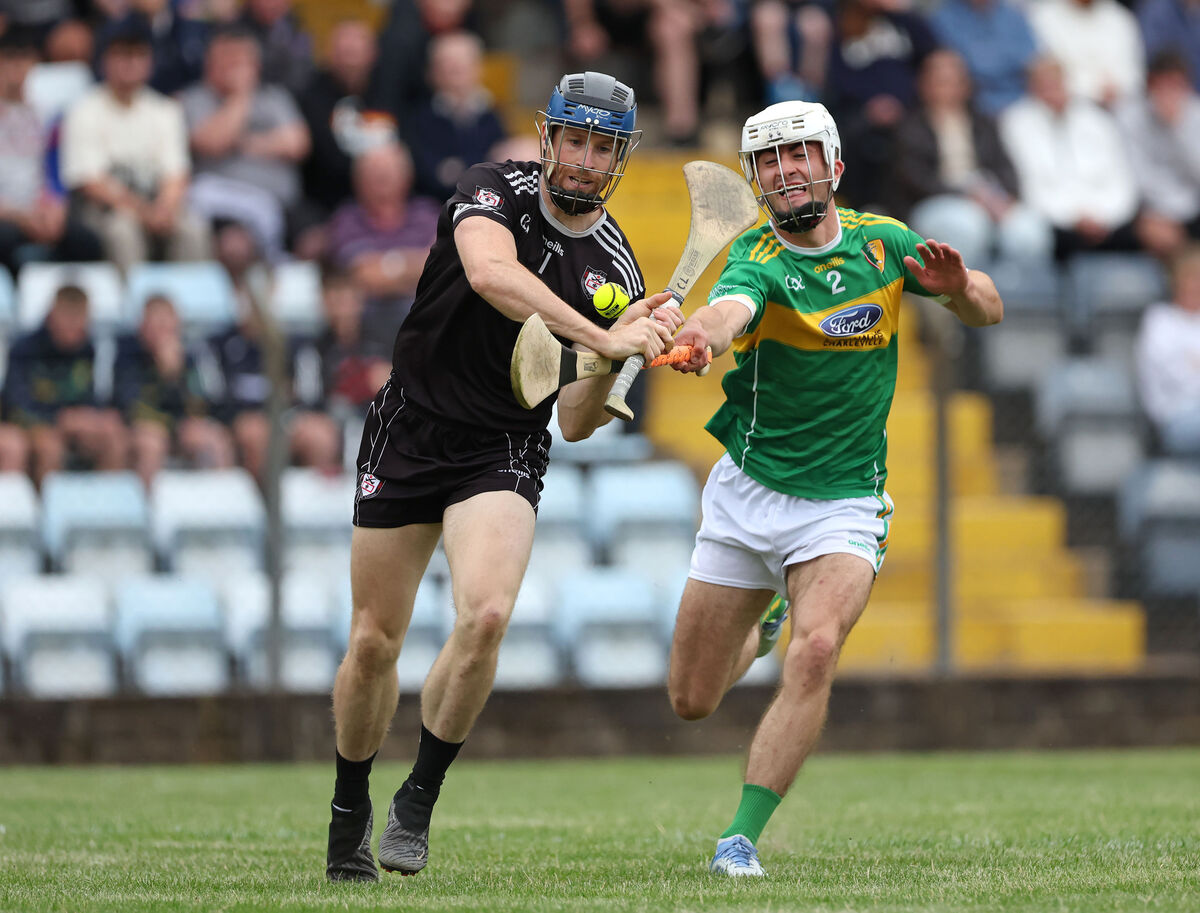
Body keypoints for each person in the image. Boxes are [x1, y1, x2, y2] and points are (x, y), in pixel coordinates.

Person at [325, 71, 678, 883]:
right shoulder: (491, 188)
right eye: (575, 139)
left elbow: (578, 419)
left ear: (619, 157)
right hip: (411, 426)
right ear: (550, 137)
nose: (586, 160)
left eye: (604, 146)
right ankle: (350, 805)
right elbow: (490, 275)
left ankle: (417, 798)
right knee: (375, 640)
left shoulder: (614, 260)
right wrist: (603, 331)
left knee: (485, 615)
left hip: (504, 445)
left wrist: (622, 345)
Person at [662, 100, 1003, 877]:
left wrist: (956, 289)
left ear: (833, 165)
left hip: (844, 499)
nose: (786, 172)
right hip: (749, 495)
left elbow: (988, 307)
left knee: (820, 650)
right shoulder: (757, 255)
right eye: (770, 162)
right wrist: (700, 337)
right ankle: (767, 617)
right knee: (692, 697)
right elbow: (730, 308)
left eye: (799, 155)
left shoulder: (885, 245)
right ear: (758, 181)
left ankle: (739, 838)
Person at [60, 14, 211, 273]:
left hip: (157, 204)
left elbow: (177, 173)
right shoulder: (83, 110)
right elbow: (90, 183)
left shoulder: (165, 110)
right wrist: (144, 212)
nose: (129, 64)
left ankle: (192, 311)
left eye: (137, 55)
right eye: (121, 55)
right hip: (105, 210)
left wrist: (163, 209)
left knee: (193, 229)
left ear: (149, 62)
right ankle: (134, 310)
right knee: (123, 231)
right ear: (105, 61)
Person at [1135, 244, 1200, 453]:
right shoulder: (1159, 319)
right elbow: (1174, 376)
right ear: (1176, 281)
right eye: (1191, 278)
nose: (1196, 286)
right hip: (1175, 416)